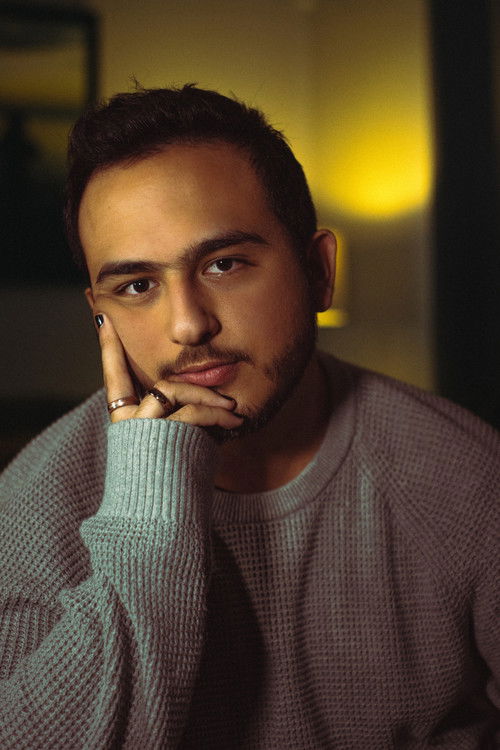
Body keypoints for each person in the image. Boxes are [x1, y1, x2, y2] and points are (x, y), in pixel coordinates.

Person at [0, 84, 498, 749]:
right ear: (101, 315)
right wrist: (149, 512)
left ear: (318, 272)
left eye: (224, 264)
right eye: (138, 286)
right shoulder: (34, 504)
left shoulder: (468, 477)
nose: (188, 325)